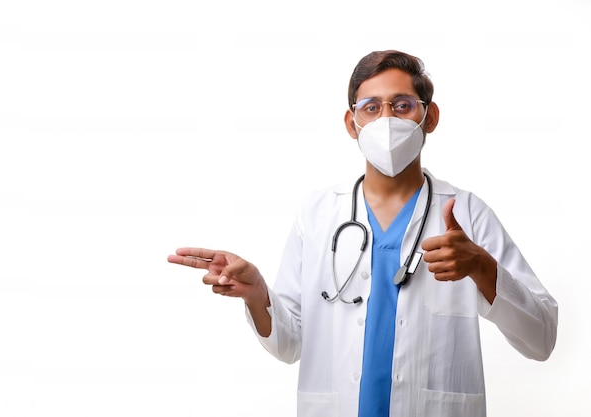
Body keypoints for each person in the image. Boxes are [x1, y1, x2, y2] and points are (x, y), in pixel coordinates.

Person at [167, 50, 558, 417]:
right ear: (352, 123)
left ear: (430, 117)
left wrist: (483, 267)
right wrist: (257, 295)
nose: (386, 119)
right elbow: (290, 345)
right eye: (371, 108)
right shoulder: (317, 213)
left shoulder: (468, 212)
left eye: (402, 105)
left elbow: (542, 339)